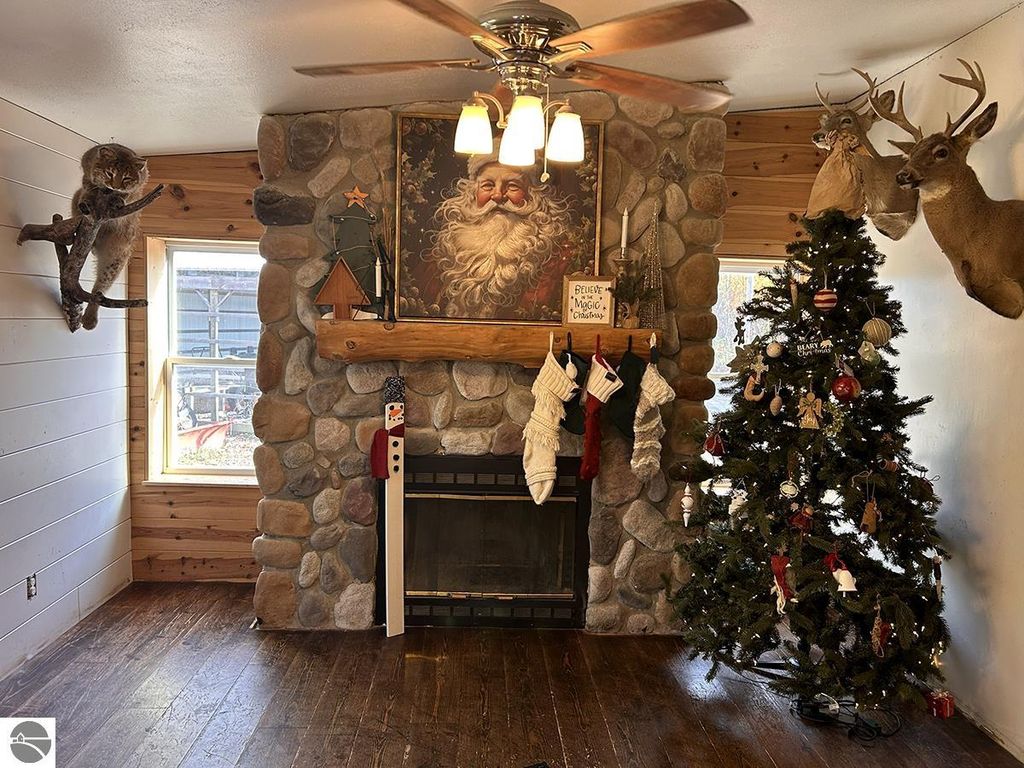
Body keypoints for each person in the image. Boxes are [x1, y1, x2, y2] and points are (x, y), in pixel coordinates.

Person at [423, 153, 575, 319]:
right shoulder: (443, 257)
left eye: (512, 186)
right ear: (472, 194)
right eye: (488, 185)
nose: (497, 195)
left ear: (532, 195)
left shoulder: (559, 260)